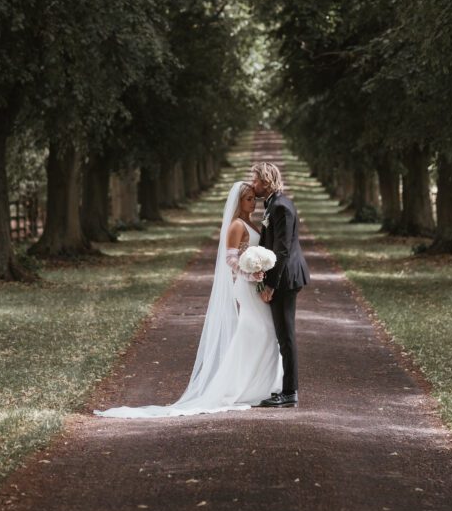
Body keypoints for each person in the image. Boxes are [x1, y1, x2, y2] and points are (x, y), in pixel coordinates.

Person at [93, 181, 282, 418]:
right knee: (259, 329)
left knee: (263, 331)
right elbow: (231, 260)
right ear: (237, 201)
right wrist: (250, 272)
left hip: (255, 284)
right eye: (247, 199)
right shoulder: (236, 225)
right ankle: (238, 386)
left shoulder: (251, 223)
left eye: (254, 198)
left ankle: (259, 383)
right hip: (245, 285)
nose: (252, 203)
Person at [250, 161, 310, 409]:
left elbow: (283, 251)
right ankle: (286, 389)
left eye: (256, 180)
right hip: (281, 277)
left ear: (266, 181)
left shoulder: (281, 207)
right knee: (283, 334)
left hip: (285, 279)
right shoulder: (273, 204)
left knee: (286, 336)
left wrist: (271, 285)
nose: (253, 185)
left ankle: (290, 391)